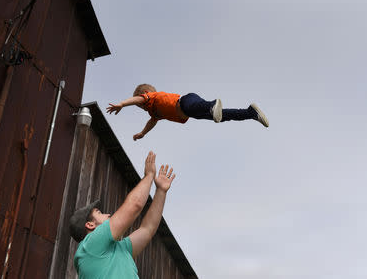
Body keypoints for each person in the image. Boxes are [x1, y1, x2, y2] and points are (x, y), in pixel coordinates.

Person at [69, 151, 174, 278]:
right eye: (99, 212)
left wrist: (161, 191)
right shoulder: (90, 246)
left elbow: (148, 229)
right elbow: (134, 205)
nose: (108, 214)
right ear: (90, 224)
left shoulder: (119, 249)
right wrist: (149, 176)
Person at [106, 83, 269, 141]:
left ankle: (211, 105)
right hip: (191, 112)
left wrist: (122, 104)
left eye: (140, 104)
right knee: (222, 116)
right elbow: (152, 122)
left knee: (198, 107)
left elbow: (138, 99)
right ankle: (250, 112)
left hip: (186, 101)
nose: (141, 107)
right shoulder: (153, 113)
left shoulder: (151, 97)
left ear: (145, 94)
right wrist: (142, 133)